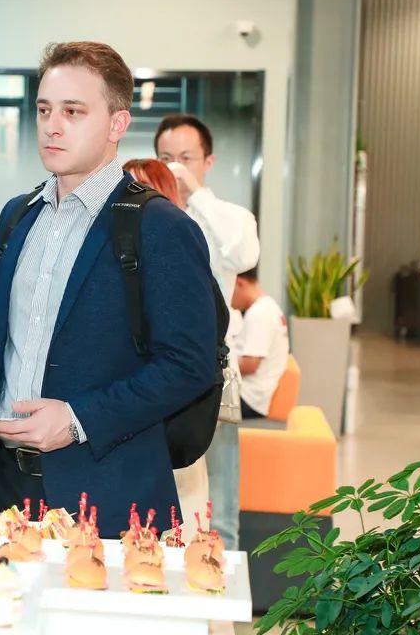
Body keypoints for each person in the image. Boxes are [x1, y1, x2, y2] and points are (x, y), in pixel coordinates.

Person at [0, 42, 217, 536]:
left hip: (106, 493)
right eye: (44, 110)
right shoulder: (17, 216)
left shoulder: (160, 226)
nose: (52, 126)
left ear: (117, 124)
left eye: (73, 111)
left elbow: (188, 364)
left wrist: (78, 419)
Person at [155, 113, 260, 550]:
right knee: (165, 503)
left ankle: (222, 587)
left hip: (212, 376)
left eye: (186, 157)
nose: (175, 166)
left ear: (208, 161)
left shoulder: (229, 217)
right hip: (157, 375)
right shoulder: (151, 214)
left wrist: (195, 194)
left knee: (220, 504)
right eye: (165, 157)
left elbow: (243, 254)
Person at [123, 158, 209, 540]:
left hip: (172, 435)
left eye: (140, 191)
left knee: (176, 542)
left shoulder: (179, 252)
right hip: (125, 434)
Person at [231, 268, 289, 420]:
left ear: (239, 283)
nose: (227, 298)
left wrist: (216, 364)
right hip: (255, 397)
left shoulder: (259, 313)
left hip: (246, 399)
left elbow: (250, 365)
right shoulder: (269, 306)